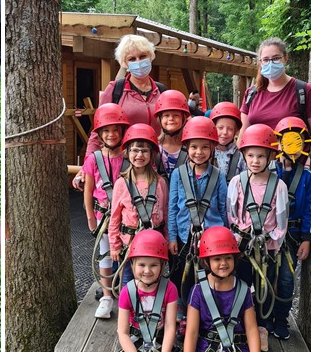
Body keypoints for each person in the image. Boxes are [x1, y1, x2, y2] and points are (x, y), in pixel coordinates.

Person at [227, 123, 288, 352]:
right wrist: (237, 238)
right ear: (243, 155)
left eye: (261, 156)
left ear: (271, 156)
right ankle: (241, 323)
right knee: (241, 284)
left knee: (264, 286)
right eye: (251, 155)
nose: (255, 161)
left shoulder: (279, 187)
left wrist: (272, 240)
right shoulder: (237, 183)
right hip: (242, 245)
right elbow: (231, 213)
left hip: (266, 247)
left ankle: (261, 327)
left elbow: (281, 220)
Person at [168, 116, 228, 313]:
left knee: (209, 276)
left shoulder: (218, 176)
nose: (199, 152)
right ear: (187, 147)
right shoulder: (178, 174)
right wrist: (172, 236)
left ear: (212, 148)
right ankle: (182, 313)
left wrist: (224, 238)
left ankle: (207, 312)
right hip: (184, 236)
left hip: (211, 237)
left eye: (204, 147)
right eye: (194, 147)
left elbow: (222, 208)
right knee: (180, 276)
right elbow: (173, 208)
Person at [82, 35, 164, 163]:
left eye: (142, 56)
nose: (138, 62)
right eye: (132, 59)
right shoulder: (115, 90)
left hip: (157, 162)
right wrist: (88, 164)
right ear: (125, 63)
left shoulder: (161, 91)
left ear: (150, 57)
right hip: (123, 162)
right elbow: (97, 130)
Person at [109, 123, 169, 287]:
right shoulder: (122, 183)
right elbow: (114, 218)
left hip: (155, 245)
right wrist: (114, 246)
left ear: (152, 154)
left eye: (144, 151)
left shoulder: (160, 183)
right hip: (130, 246)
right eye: (135, 150)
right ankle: (129, 312)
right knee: (128, 283)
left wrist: (168, 240)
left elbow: (166, 212)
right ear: (127, 153)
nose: (139, 155)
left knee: (154, 283)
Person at [84, 103, 129, 318]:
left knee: (124, 253)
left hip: (126, 217)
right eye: (106, 131)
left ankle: (125, 293)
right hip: (103, 216)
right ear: (100, 133)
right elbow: (88, 190)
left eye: (115, 130)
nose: (111, 134)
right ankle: (107, 296)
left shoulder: (129, 158)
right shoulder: (94, 159)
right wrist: (90, 218)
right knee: (105, 255)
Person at [273, 116, 311, 341]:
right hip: (270, 235)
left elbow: (307, 207)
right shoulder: (270, 172)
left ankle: (281, 318)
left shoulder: (306, 177)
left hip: (294, 236)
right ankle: (265, 319)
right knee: (268, 277)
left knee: (287, 279)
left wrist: (306, 237)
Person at [242, 37, 311, 136]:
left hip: (291, 150)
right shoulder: (251, 93)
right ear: (260, 62)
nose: (271, 63)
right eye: (266, 59)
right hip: (258, 151)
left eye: (276, 58)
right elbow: (243, 133)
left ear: (285, 58)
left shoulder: (304, 91)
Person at [156, 89, 191, 173]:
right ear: (160, 119)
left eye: (176, 115)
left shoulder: (191, 147)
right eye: (166, 115)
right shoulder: (154, 147)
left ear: (183, 119)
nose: (171, 119)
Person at [210, 101, 245, 182]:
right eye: (220, 128)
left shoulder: (240, 157)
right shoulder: (207, 153)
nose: (225, 132)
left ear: (236, 131)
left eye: (230, 129)